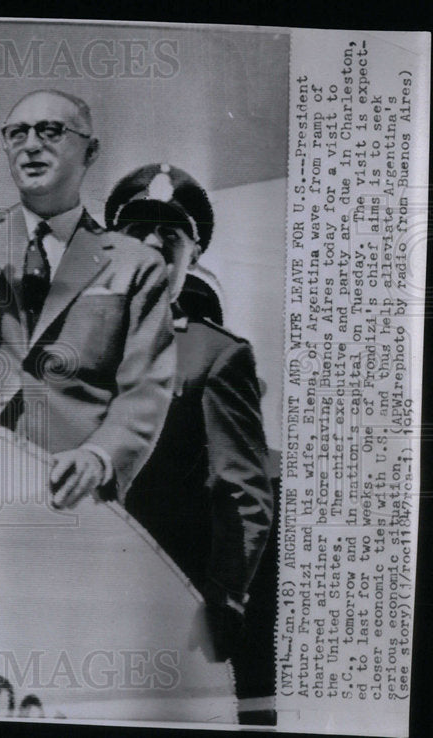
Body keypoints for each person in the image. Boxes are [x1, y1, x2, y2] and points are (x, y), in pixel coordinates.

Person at [0, 25, 176, 509]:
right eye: (17, 133)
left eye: (51, 131)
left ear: (91, 151)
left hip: (65, 491)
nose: (31, 144)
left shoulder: (136, 266)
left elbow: (145, 388)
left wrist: (100, 457)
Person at [104, 163, 274, 670]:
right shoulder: (70, 339)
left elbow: (243, 493)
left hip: (159, 601)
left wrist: (222, 600)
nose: (154, 242)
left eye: (171, 234)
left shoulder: (214, 355)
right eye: (138, 230)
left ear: (192, 253)